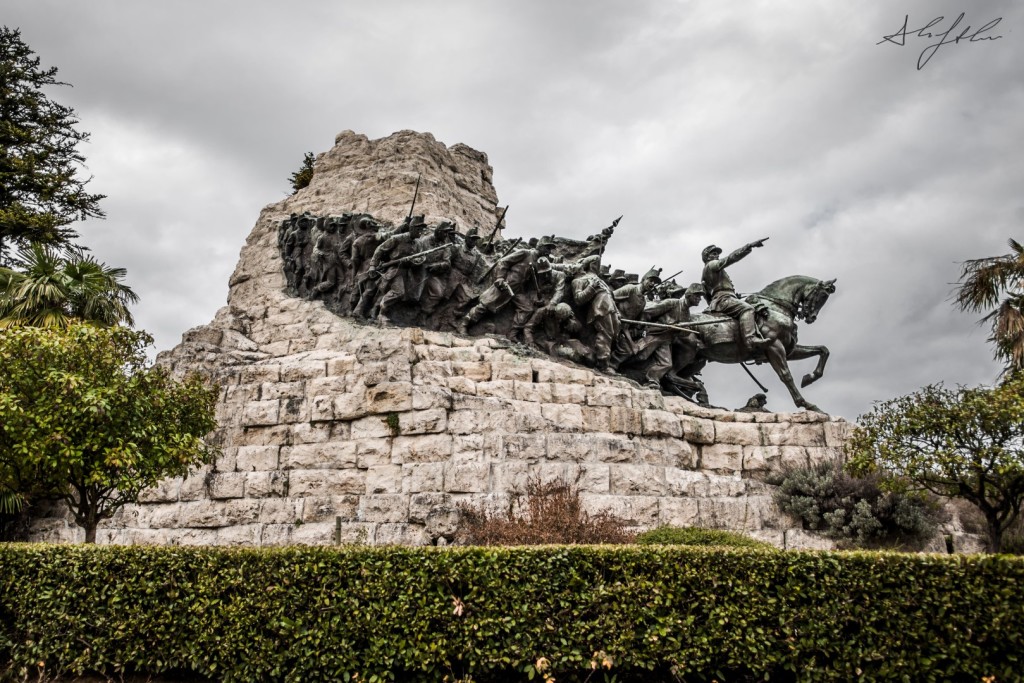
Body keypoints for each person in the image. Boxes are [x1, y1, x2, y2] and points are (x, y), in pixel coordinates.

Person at [700, 240, 768, 350]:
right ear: (707, 257)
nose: (717, 255)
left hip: (722, 299)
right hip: (723, 299)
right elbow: (730, 258)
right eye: (713, 253)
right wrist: (748, 246)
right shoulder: (712, 265)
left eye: (717, 253)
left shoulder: (705, 273)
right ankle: (750, 338)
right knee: (748, 309)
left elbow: (707, 296)